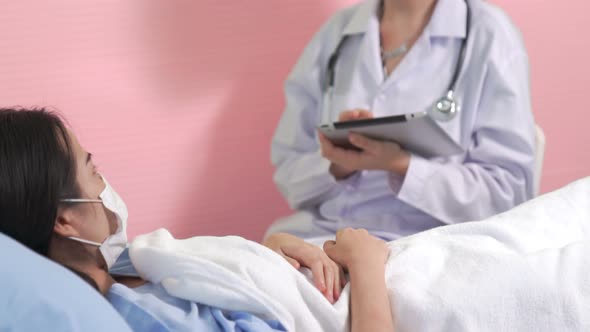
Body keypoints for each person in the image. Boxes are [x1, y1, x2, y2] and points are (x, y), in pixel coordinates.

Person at [0, 107, 393, 332]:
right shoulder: (153, 319)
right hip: (378, 291)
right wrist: (366, 264)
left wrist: (265, 256)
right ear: (64, 221)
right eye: (92, 169)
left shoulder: (129, 265)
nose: (105, 183)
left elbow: (225, 281)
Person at [268, 0, 536, 241]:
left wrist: (401, 165)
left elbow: (509, 194)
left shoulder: (489, 33)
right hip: (323, 235)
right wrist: (337, 164)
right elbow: (288, 170)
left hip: (427, 244)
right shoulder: (336, 33)